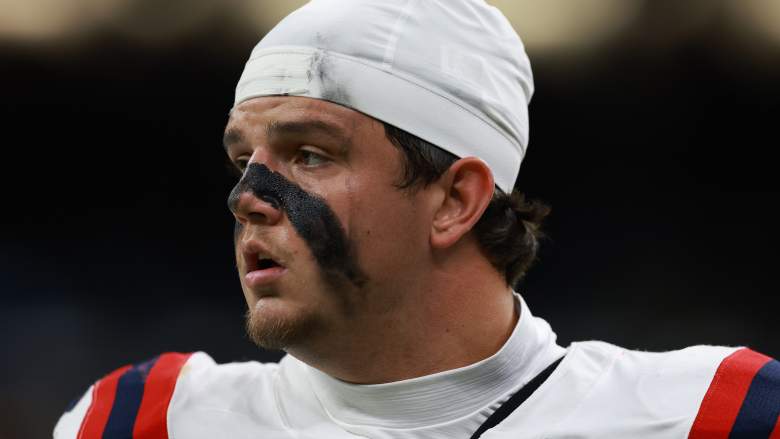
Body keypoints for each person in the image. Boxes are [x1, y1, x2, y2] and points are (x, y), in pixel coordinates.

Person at [54, 1, 780, 438]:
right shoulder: (144, 420)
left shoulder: (713, 417)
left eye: (308, 153)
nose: (248, 196)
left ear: (456, 198)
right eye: (244, 160)